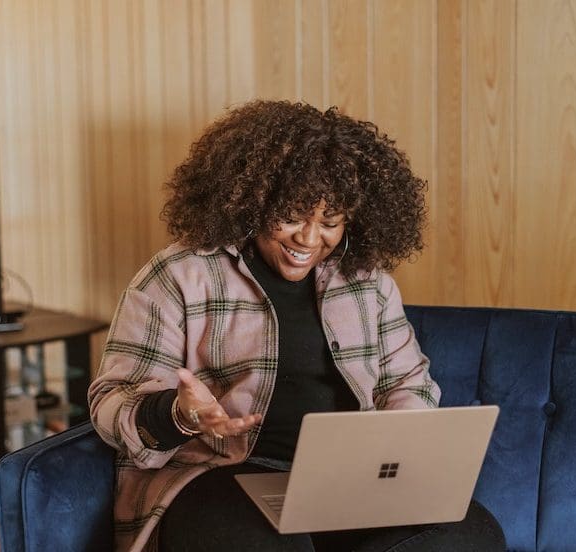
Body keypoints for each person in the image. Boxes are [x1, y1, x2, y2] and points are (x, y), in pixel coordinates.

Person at [88, 100, 505, 552]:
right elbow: (111, 401)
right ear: (253, 202)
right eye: (290, 217)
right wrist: (178, 413)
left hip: (345, 482)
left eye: (330, 222)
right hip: (218, 476)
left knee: (471, 534)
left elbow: (407, 383)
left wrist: (395, 449)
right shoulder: (179, 275)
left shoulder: (369, 283)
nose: (308, 239)